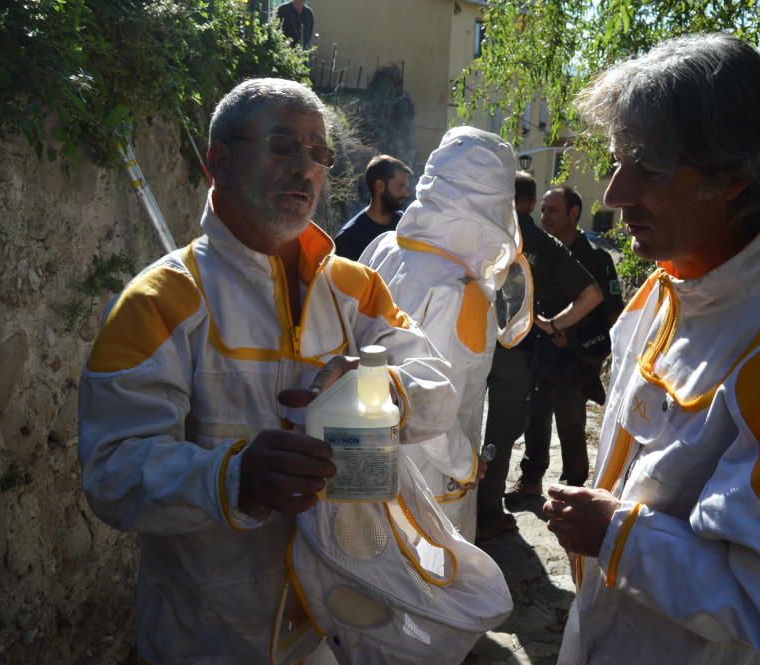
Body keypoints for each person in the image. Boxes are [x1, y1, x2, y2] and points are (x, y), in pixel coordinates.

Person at [544, 34, 760, 665]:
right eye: (617, 160)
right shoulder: (660, 295)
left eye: (647, 168)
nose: (615, 195)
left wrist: (617, 535)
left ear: (733, 177)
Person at [78, 78, 456, 665]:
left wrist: (386, 388)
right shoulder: (159, 299)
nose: (306, 168)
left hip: (331, 625)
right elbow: (112, 470)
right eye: (282, 146)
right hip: (208, 639)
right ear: (219, 163)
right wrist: (234, 478)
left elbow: (438, 386)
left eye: (318, 153)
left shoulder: (355, 288)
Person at [359, 126, 528, 541]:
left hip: (367, 461)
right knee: (438, 589)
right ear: (494, 202)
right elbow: (427, 406)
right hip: (431, 481)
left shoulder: (384, 246)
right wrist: (467, 465)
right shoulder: (459, 289)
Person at [476, 171, 604, 540]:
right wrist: (550, 324)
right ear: (530, 203)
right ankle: (487, 512)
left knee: (467, 426)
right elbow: (591, 294)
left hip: (470, 347)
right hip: (516, 353)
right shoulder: (540, 243)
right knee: (500, 434)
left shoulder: (479, 234)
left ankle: (459, 502)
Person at [512, 185, 625, 494]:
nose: (545, 217)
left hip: (575, 358)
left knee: (572, 423)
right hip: (538, 349)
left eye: (554, 211)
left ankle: (574, 485)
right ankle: (531, 478)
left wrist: (580, 341)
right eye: (544, 210)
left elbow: (612, 313)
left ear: (574, 214)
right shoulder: (538, 251)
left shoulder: (596, 258)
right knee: (535, 418)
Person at [334, 154, 412, 261]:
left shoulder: (404, 223)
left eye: (406, 187)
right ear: (380, 186)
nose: (406, 193)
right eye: (401, 186)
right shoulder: (348, 240)